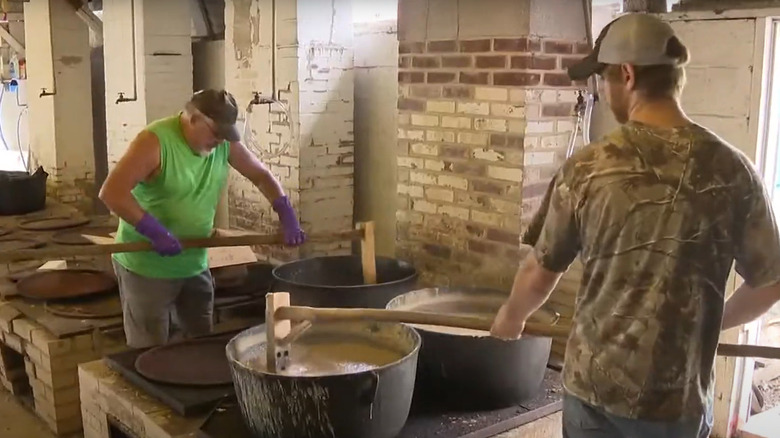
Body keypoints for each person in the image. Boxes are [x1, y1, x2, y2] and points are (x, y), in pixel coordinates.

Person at [490, 13, 780, 438]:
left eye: (603, 79)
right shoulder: (734, 171)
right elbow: (771, 283)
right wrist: (708, 326)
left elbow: (540, 270)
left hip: (594, 391)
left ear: (626, 74)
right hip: (677, 402)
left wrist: (511, 318)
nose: (604, 93)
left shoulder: (588, 168)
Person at [99, 89, 305, 348]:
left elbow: (261, 176)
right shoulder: (155, 141)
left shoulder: (223, 143)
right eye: (215, 133)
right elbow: (112, 192)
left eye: (225, 135)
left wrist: (286, 212)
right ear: (193, 118)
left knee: (200, 341)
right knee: (149, 347)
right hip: (146, 265)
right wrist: (153, 231)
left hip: (194, 261)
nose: (220, 141)